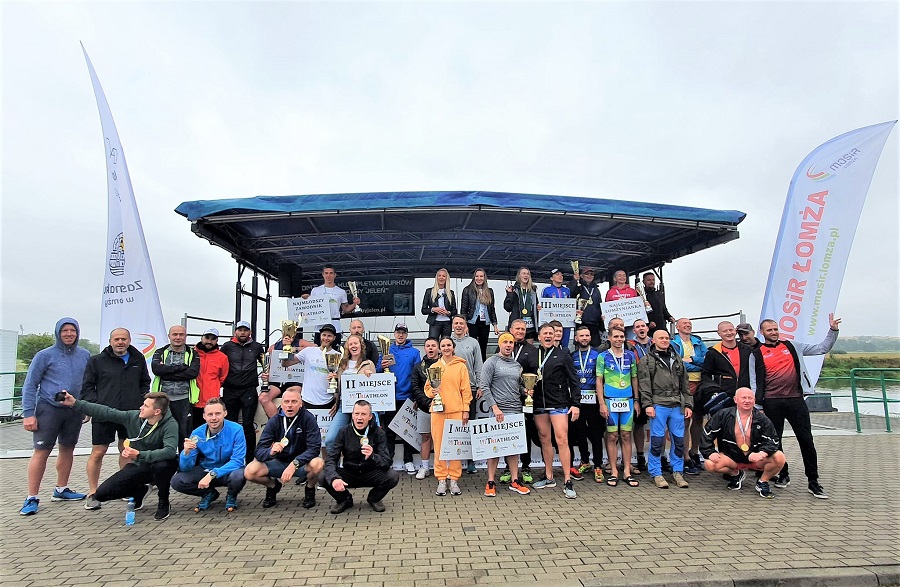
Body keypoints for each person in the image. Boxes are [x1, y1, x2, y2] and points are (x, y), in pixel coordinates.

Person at [753, 313, 842, 499]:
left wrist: (833, 330)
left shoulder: (792, 346)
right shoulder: (756, 353)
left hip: (795, 400)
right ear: (762, 332)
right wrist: (758, 404)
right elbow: (754, 381)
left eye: (776, 329)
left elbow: (822, 348)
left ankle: (813, 481)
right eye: (769, 330)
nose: (774, 332)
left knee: (806, 440)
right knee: (775, 441)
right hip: (771, 402)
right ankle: (783, 474)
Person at [62, 390, 178, 521]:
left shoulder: (170, 424)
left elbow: (169, 451)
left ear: (157, 411)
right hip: (140, 464)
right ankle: (140, 491)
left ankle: (163, 502)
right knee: (101, 494)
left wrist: (140, 454)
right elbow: (106, 412)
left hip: (162, 464)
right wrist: (75, 403)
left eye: (146, 406)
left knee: (163, 466)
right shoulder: (133, 417)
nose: (141, 407)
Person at [19, 318, 91, 515]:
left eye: (72, 330)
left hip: (73, 409)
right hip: (48, 409)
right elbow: (30, 385)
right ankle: (31, 497)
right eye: (65, 330)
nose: (69, 334)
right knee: (42, 451)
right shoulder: (44, 355)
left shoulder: (84, 355)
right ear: (58, 333)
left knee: (67, 448)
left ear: (77, 333)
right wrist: (28, 414)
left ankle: (61, 489)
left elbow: (87, 383)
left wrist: (85, 407)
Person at [81, 327, 151, 511]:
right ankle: (93, 492)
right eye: (116, 339)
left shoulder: (138, 359)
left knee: (126, 450)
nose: (120, 342)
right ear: (110, 341)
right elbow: (87, 387)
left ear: (129, 340)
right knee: (98, 451)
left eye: (123, 339)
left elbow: (145, 382)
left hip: (130, 415)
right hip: (104, 414)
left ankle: (124, 487)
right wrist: (95, 406)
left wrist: (140, 400)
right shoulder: (97, 361)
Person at [243, 387, 325, 509]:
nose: (290, 405)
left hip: (300, 463)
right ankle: (272, 486)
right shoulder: (274, 421)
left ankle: (310, 489)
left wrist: (295, 463)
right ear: (282, 404)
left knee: (318, 463)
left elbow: (314, 448)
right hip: (278, 462)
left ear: (301, 404)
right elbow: (259, 451)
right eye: (286, 402)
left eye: (294, 401)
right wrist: (270, 452)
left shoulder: (308, 419)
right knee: (250, 471)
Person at [700, 388, 786, 498]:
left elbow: (773, 440)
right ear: (735, 399)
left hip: (755, 458)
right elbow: (707, 434)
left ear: (754, 400)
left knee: (779, 457)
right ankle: (736, 474)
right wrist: (710, 452)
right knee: (709, 464)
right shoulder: (723, 415)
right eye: (743, 398)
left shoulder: (762, 419)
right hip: (732, 457)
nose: (747, 401)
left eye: (750, 398)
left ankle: (763, 481)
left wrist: (762, 453)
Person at [320, 400, 400, 513]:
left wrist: (373, 456)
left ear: (370, 416)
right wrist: (334, 478)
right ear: (352, 415)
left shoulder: (379, 433)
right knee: (323, 476)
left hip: (371, 473)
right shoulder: (343, 431)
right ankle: (344, 499)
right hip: (349, 473)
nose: (359, 418)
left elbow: (387, 462)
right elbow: (331, 459)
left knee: (392, 476)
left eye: (363, 414)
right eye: (356, 414)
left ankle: (374, 499)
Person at [171, 398, 247, 512]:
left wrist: (213, 474)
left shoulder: (236, 429)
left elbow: (238, 461)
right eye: (210, 414)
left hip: (228, 470)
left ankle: (231, 495)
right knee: (177, 481)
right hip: (206, 469)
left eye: (218, 413)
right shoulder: (197, 433)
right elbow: (185, 468)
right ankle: (208, 493)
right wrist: (186, 453)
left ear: (225, 413)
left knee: (239, 476)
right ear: (204, 416)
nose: (214, 418)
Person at [530, 324, 580, 499]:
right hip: (539, 404)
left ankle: (567, 480)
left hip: (559, 403)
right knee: (544, 439)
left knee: (562, 440)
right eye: (545, 333)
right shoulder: (533, 354)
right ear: (539, 337)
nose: (548, 336)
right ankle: (549, 476)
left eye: (551, 333)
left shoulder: (563, 354)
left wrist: (576, 403)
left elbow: (574, 380)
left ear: (555, 336)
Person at [638, 329, 692, 490]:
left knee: (679, 441)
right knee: (657, 441)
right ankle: (656, 473)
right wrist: (648, 404)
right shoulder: (647, 360)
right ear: (653, 340)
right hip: (658, 404)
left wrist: (688, 404)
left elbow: (685, 384)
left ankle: (678, 472)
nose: (664, 340)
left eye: (667, 338)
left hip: (677, 404)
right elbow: (644, 385)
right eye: (661, 338)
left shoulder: (677, 358)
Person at [479, 332, 530, 496]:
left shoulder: (516, 365)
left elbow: (518, 385)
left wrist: (525, 391)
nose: (508, 345)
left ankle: (515, 481)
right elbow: (484, 386)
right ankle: (490, 482)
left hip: (515, 409)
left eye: (511, 342)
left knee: (514, 448)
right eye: (505, 342)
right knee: (493, 449)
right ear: (499, 344)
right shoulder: (491, 362)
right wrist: (494, 408)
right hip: (498, 412)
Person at [424, 337, 472, 496]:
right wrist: (432, 392)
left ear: (453, 347)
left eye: (448, 345)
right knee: (438, 446)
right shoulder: (434, 367)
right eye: (443, 345)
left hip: (456, 411)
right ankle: (441, 479)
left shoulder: (461, 366)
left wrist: (465, 409)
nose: (446, 348)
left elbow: (466, 390)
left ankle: (454, 479)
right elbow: (427, 389)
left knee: (454, 447)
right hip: (438, 412)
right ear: (439, 349)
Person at [598, 326, 639, 488]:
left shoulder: (630, 355)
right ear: (609, 338)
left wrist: (636, 400)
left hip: (628, 400)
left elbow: (634, 378)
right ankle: (614, 471)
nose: (619, 339)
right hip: (610, 401)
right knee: (612, 436)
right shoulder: (603, 357)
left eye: (621, 337)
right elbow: (599, 381)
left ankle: (627, 471)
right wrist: (601, 403)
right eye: (615, 336)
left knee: (626, 435)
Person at [220, 321, 266, 464]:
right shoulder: (227, 346)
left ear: (250, 332)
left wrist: (268, 376)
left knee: (248, 425)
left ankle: (250, 459)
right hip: (230, 390)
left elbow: (266, 365)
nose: (242, 332)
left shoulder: (257, 347)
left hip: (249, 390)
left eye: (245, 330)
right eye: (240, 330)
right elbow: (219, 364)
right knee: (230, 424)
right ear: (235, 332)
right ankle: (231, 458)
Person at [379, 323, 422, 472]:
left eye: (403, 332)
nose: (400, 335)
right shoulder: (386, 350)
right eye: (398, 332)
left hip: (408, 396)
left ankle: (408, 461)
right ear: (394, 334)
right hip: (389, 397)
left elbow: (417, 375)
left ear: (407, 334)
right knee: (389, 431)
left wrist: (416, 396)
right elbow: (378, 370)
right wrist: (381, 366)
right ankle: (389, 460)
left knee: (407, 431)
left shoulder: (414, 352)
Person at [324, 334, 376, 453]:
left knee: (367, 440)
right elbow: (338, 388)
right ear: (347, 347)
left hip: (362, 407)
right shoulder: (341, 364)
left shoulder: (369, 364)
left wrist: (370, 376)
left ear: (361, 346)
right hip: (344, 406)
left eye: (355, 343)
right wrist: (332, 380)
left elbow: (374, 387)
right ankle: (333, 464)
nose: (353, 346)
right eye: (350, 344)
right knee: (330, 440)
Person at [151, 325, 200, 450]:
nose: (178, 337)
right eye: (174, 334)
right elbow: (156, 370)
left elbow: (192, 373)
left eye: (181, 334)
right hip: (163, 399)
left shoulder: (193, 353)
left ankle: (183, 461)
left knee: (184, 433)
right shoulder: (160, 352)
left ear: (185, 336)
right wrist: (182, 368)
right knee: (161, 432)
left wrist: (167, 372)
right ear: (169, 336)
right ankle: (163, 460)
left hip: (184, 399)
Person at [503, 319, 539, 485]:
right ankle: (507, 468)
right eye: (517, 328)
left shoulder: (531, 350)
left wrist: (528, 389)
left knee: (525, 432)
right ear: (511, 329)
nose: (520, 331)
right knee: (507, 433)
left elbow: (533, 372)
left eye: (523, 329)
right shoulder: (504, 346)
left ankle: (525, 466)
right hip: (507, 398)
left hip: (525, 398)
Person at [669, 318, 707, 475]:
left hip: (701, 384)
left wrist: (691, 359)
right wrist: (694, 364)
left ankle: (694, 452)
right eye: (684, 323)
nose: (688, 325)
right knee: (684, 421)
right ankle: (684, 457)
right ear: (677, 327)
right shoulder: (673, 343)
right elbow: (677, 364)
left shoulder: (698, 341)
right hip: (683, 385)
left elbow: (706, 361)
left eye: (689, 323)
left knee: (698, 419)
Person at [568, 325, 605, 483]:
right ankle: (584, 461)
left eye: (587, 335)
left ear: (590, 337)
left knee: (596, 433)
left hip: (594, 400)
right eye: (581, 336)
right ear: (576, 338)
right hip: (578, 400)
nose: (584, 338)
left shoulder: (598, 355)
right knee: (580, 432)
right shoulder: (572, 356)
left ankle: (598, 465)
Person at [282, 324, 342, 410]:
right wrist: (286, 349)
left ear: (334, 338)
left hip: (328, 401)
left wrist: (337, 402)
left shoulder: (338, 356)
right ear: (320, 336)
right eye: (324, 335)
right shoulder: (308, 351)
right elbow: (286, 363)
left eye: (329, 336)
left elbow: (340, 382)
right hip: (307, 400)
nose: (326, 338)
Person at [450, 315, 483, 474]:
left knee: (470, 425)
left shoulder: (474, 342)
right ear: (452, 325)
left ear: (465, 326)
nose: (458, 326)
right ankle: (452, 460)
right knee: (453, 426)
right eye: (456, 323)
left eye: (461, 323)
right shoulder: (446, 342)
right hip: (451, 390)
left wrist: (480, 385)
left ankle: (471, 461)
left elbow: (478, 366)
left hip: (470, 389)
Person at [260, 330, 313, 418]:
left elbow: (316, 348)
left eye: (290, 332)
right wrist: (266, 376)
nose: (288, 335)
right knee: (263, 398)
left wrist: (294, 349)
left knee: (290, 396)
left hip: (295, 380)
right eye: (286, 332)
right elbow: (270, 367)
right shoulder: (273, 347)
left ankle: (291, 421)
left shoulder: (300, 342)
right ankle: (278, 422)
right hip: (277, 380)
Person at [306, 264, 358, 347]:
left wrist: (355, 304)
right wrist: (304, 300)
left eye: (331, 273)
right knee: (319, 350)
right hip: (320, 326)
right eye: (326, 273)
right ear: (323, 274)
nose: (328, 275)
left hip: (335, 325)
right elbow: (310, 307)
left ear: (334, 275)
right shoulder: (315, 291)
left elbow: (346, 309)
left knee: (334, 351)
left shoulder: (341, 292)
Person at [410, 337, 440, 480]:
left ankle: (443, 467)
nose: (431, 348)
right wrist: (427, 402)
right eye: (428, 346)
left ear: (438, 348)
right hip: (424, 407)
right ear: (425, 348)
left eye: (433, 345)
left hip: (443, 409)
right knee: (426, 437)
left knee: (442, 438)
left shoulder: (445, 365)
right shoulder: (418, 367)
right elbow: (415, 386)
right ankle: (425, 467)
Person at [627, 319, 653, 473]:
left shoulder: (655, 343)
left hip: (656, 387)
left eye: (643, 326)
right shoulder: (630, 345)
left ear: (647, 328)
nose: (641, 328)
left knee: (659, 424)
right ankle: (640, 455)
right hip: (639, 386)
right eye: (637, 327)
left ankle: (660, 456)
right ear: (634, 331)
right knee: (639, 424)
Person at [460, 268, 501, 360]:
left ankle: (482, 366)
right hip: (472, 322)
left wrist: (495, 325)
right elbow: (463, 309)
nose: (479, 278)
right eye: (477, 276)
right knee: (472, 346)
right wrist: (464, 325)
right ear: (474, 277)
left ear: (484, 278)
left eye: (481, 276)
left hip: (485, 322)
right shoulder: (467, 290)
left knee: (483, 346)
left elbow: (492, 309)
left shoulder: (489, 291)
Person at [192, 328, 229, 425]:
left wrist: (212, 387)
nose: (209, 341)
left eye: (213, 339)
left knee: (211, 428)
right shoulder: (192, 354)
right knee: (192, 429)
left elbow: (222, 377)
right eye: (207, 338)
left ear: (217, 340)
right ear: (202, 338)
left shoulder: (222, 357)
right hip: (192, 400)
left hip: (211, 401)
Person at [569, 266, 604, 347]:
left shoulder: (596, 289)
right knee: (581, 346)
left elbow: (600, 305)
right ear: (581, 276)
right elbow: (571, 293)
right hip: (581, 322)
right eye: (587, 274)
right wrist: (574, 280)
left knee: (595, 347)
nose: (589, 276)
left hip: (594, 323)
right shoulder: (578, 286)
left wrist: (602, 321)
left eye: (591, 274)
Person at [504, 267, 539, 342]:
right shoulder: (514, 289)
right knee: (516, 346)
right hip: (518, 324)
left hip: (530, 326)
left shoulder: (533, 290)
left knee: (529, 347)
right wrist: (509, 294)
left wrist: (538, 308)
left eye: (528, 274)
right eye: (524, 273)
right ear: (519, 276)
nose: (526, 275)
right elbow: (508, 308)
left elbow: (536, 305)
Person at [422, 268, 457, 339]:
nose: (441, 278)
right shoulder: (429, 291)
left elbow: (454, 311)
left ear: (446, 278)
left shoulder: (451, 293)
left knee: (446, 343)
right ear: (436, 277)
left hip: (447, 323)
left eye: (444, 276)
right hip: (434, 322)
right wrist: (433, 309)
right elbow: (423, 310)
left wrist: (448, 312)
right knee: (433, 342)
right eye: (439, 275)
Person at [542, 268, 572, 349]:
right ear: (551, 278)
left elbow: (570, 305)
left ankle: (565, 355)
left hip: (565, 322)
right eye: (557, 274)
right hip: (552, 322)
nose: (560, 276)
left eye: (561, 275)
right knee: (552, 342)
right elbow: (543, 305)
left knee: (565, 344)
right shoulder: (546, 290)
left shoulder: (567, 290)